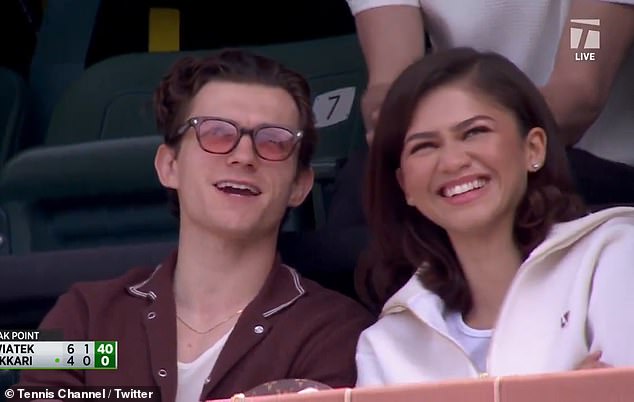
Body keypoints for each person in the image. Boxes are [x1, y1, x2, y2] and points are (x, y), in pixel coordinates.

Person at [17, 49, 374, 401]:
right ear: (168, 165)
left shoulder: (340, 333)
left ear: (300, 185)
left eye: (273, 141)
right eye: (217, 133)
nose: (244, 156)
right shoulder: (79, 313)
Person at [355, 48, 634, 386]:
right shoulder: (387, 344)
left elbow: (584, 64)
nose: (453, 161)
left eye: (474, 132)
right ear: (405, 187)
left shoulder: (614, 258)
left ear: (533, 149)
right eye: (424, 146)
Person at [346, 0, 634, 205]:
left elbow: (579, 86)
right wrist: (387, 111)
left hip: (596, 167)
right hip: (461, 151)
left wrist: (480, 143)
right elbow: (393, 77)